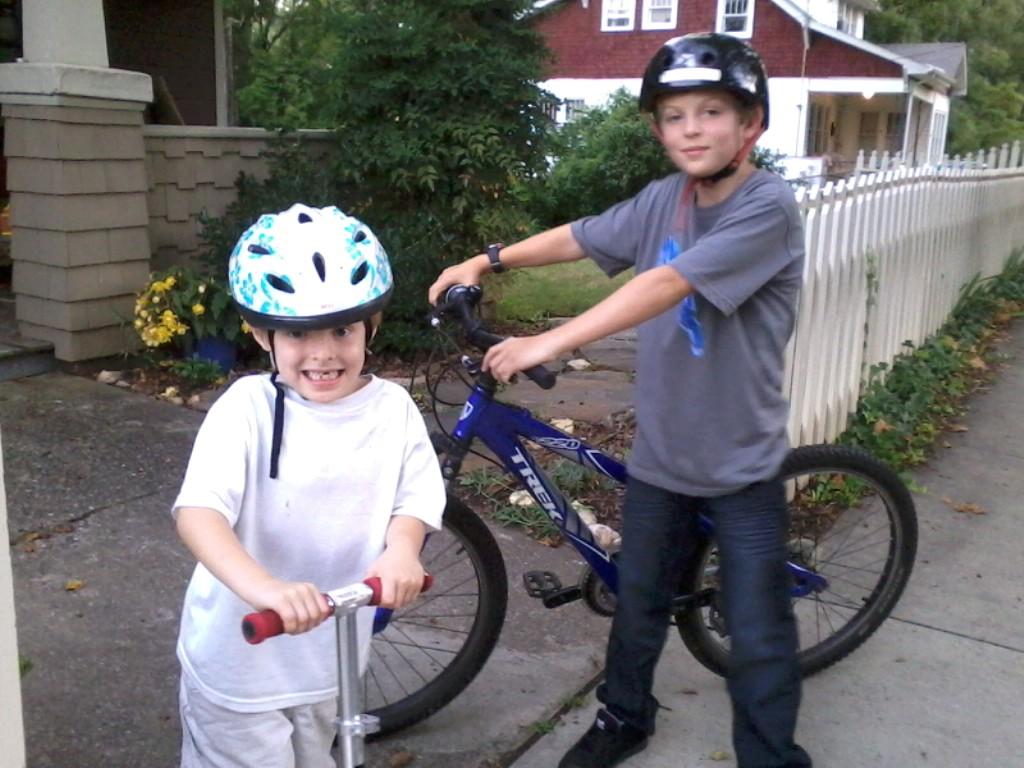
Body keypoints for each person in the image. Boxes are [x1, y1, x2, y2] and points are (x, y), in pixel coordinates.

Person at [429, 33, 811, 768]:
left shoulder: (767, 207)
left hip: (742, 467)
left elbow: (665, 285)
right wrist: (487, 257)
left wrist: (546, 343)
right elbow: (582, 237)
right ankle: (624, 718)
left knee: (759, 637)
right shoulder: (664, 199)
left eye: (710, 112)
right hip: (663, 458)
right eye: (674, 116)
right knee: (637, 606)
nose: (691, 129)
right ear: (657, 128)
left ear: (750, 124)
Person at [174, 204, 445, 768]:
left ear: (371, 326)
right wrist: (264, 588)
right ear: (259, 333)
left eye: (343, 330)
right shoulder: (245, 409)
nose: (323, 353)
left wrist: (402, 550)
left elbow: (414, 496)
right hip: (242, 660)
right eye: (298, 333)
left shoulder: (392, 408)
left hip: (331, 659)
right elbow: (199, 512)